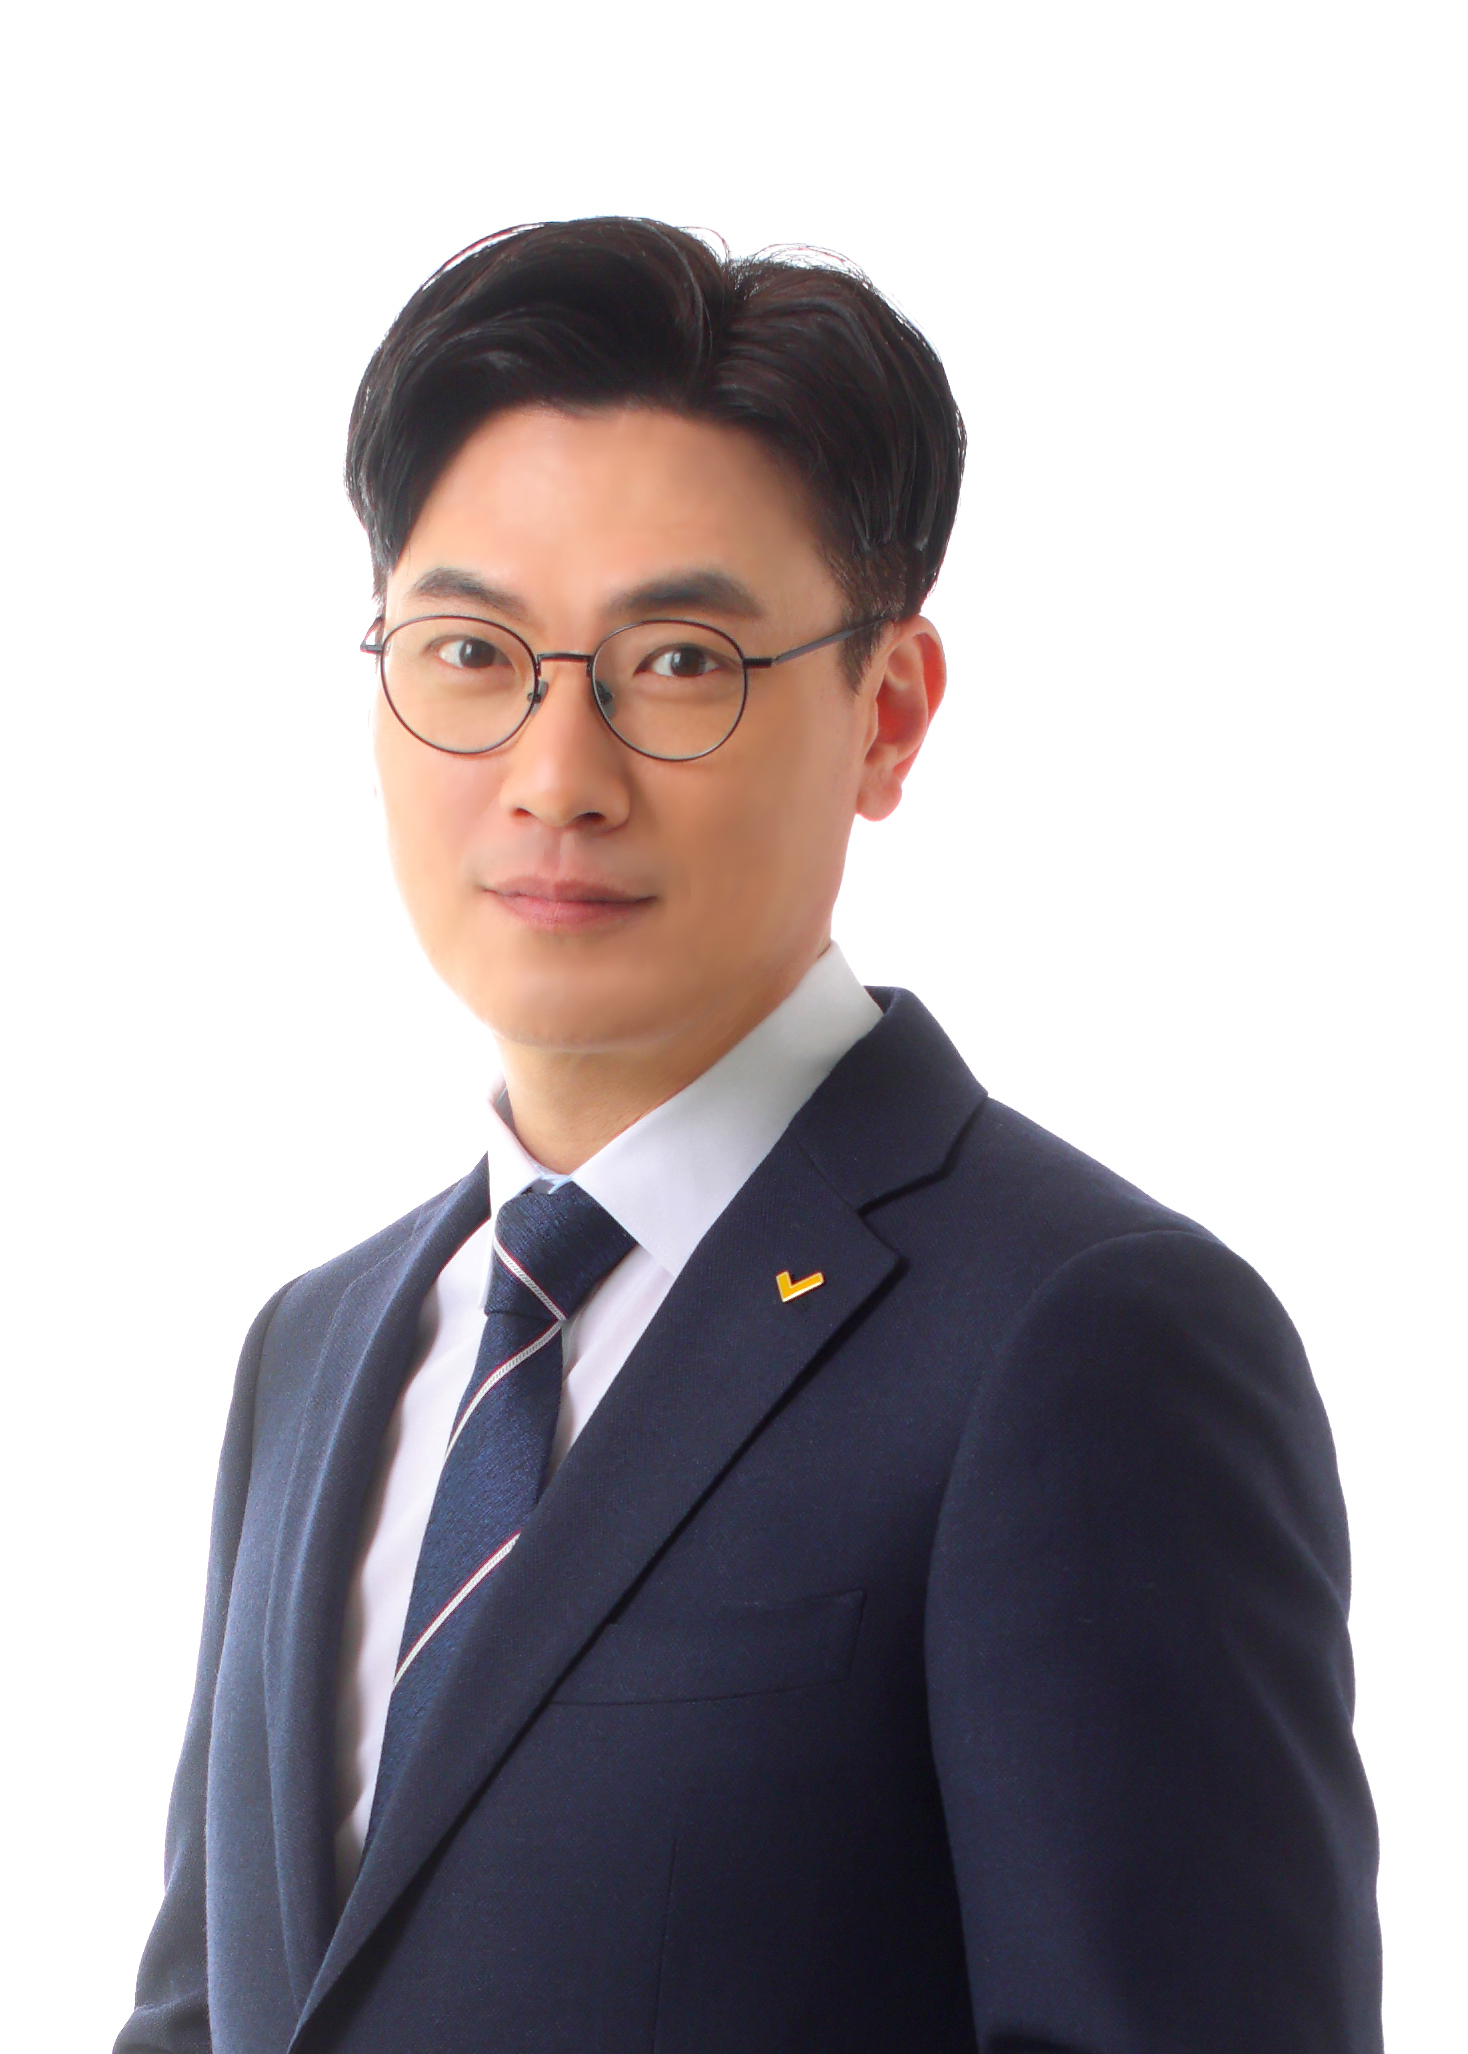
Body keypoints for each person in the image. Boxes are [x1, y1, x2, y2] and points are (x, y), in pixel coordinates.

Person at [117, 217, 1382, 2054]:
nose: (557, 775)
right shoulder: (312, 1352)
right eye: (470, 650)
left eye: (681, 662)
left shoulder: (1083, 1339)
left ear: (888, 714)